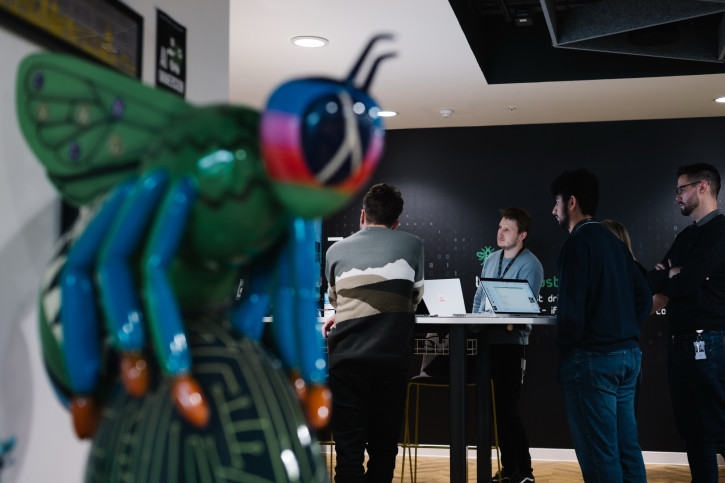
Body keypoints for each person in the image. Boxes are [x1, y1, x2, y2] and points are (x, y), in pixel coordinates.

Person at [551, 169, 651, 482]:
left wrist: (568, 350)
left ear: (571, 202)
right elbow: (644, 298)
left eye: (556, 202)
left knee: (600, 455)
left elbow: (571, 313)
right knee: (627, 450)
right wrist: (621, 328)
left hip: (592, 359)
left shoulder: (576, 243)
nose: (553, 210)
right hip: (628, 355)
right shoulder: (614, 242)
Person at [322, 183, 424, 482]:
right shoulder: (413, 244)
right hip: (390, 357)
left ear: (362, 215)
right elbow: (414, 297)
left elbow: (336, 299)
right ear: (396, 223)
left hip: (346, 359)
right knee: (383, 448)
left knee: (348, 449)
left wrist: (347, 312)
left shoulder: (335, 250)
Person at [646, 163, 725, 482]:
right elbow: (654, 279)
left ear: (702, 187)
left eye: (682, 189)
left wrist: (676, 276)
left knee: (716, 426)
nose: (677, 196)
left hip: (709, 342)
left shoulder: (719, 231)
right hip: (680, 342)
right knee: (693, 430)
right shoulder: (686, 236)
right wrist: (671, 274)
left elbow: (687, 283)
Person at [471, 207, 543, 483]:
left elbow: (524, 307)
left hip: (512, 344)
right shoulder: (491, 259)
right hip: (486, 341)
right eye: (500, 227)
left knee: (507, 410)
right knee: (494, 411)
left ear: (522, 235)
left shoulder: (531, 265)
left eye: (507, 229)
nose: (500, 233)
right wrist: (475, 323)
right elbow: (479, 297)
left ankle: (524, 472)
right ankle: (509, 469)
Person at [601, 219, 646, 414]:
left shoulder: (608, 271)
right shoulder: (635, 269)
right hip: (631, 352)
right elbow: (645, 301)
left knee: (606, 421)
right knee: (627, 418)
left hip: (607, 353)